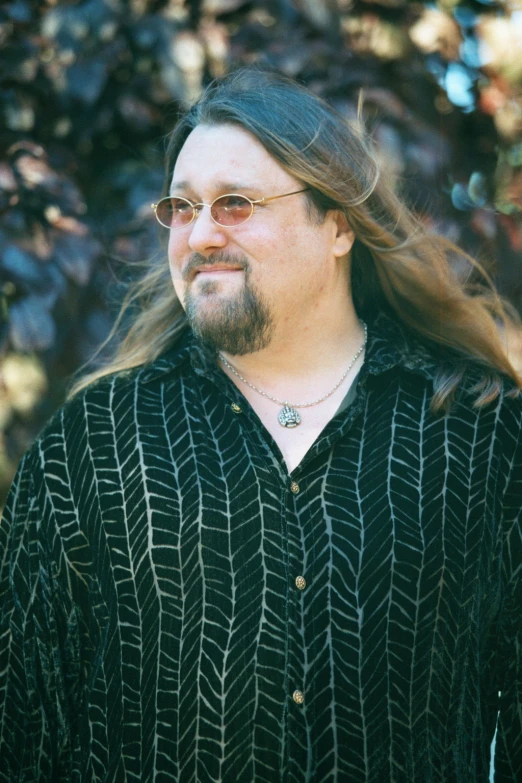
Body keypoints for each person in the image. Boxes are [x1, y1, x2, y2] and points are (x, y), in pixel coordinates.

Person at [0, 66, 521, 783]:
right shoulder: (91, 446)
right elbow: (23, 733)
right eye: (181, 208)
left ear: (337, 223)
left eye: (236, 203)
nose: (200, 234)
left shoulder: (482, 435)